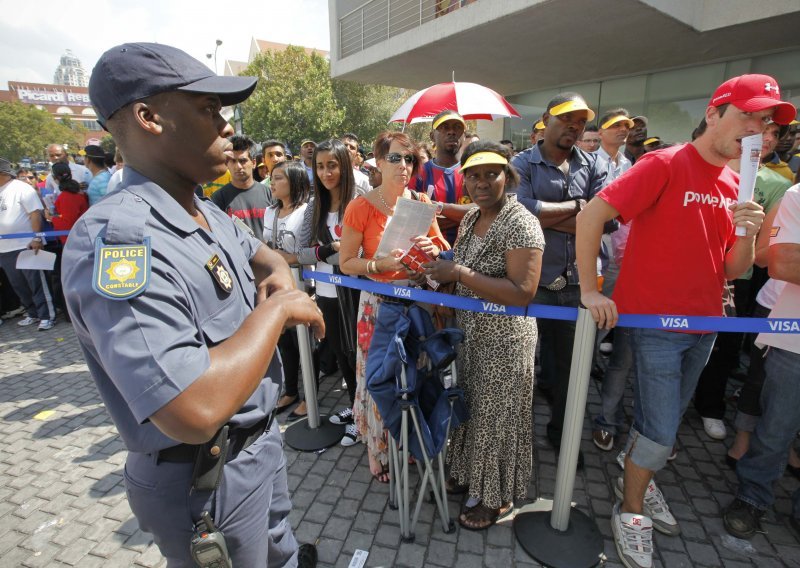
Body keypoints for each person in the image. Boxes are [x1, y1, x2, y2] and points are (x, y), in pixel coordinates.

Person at [61, 42, 321, 567]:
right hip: (206, 476)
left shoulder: (201, 209)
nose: (226, 127)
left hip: (257, 447)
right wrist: (277, 312)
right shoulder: (120, 243)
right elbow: (192, 409)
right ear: (148, 117)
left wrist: (279, 274)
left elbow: (263, 255)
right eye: (207, 110)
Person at [576, 73, 794, 568]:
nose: (757, 126)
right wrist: (590, 287)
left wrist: (747, 234)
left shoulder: (738, 179)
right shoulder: (665, 162)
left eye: (766, 120)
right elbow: (593, 215)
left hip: (708, 324)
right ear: (715, 112)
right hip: (655, 324)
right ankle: (631, 508)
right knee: (659, 431)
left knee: (666, 422)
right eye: (749, 114)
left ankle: (636, 480)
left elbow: (733, 270)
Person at [423, 142, 544, 530]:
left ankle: (494, 495)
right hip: (471, 334)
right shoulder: (474, 216)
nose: (481, 182)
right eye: (472, 175)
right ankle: (466, 472)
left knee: (497, 416)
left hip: (506, 340)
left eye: (491, 174)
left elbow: (522, 291)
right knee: (470, 407)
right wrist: (435, 275)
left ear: (507, 177)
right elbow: (459, 265)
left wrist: (457, 275)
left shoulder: (520, 222)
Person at [339, 131, 448, 483]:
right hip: (378, 303)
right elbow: (346, 263)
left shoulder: (420, 201)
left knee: (414, 374)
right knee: (377, 376)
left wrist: (433, 250)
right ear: (379, 162)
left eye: (410, 159)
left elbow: (442, 245)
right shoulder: (361, 206)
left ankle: (408, 440)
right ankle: (377, 447)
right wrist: (378, 265)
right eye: (396, 158)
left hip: (417, 302)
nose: (404, 166)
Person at [510, 92, 609, 465]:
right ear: (547, 120)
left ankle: (563, 437)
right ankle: (513, 442)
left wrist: (558, 216)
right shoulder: (523, 162)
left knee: (569, 371)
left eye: (581, 121)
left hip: (576, 285)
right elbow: (521, 212)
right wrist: (581, 210)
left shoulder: (594, 164)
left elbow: (608, 217)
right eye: (567, 119)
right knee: (519, 366)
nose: (575, 126)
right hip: (531, 282)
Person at [723, 184, 800, 540]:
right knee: (776, 427)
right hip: (793, 340)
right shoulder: (798, 196)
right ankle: (753, 496)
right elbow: (781, 262)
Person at [289, 139, 363, 445]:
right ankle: (356, 408)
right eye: (320, 166)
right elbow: (298, 252)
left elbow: (359, 252)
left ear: (344, 165)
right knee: (343, 356)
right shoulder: (314, 207)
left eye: (332, 165)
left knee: (359, 355)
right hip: (326, 293)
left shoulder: (360, 202)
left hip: (356, 294)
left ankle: (365, 418)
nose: (326, 172)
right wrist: (330, 250)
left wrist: (331, 252)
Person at [262, 161, 312, 421]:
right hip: (277, 286)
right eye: (271, 178)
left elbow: (303, 254)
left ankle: (309, 398)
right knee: (285, 343)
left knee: (305, 345)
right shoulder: (269, 212)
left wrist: (277, 257)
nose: (272, 183)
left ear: (294, 181)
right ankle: (290, 391)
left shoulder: (305, 212)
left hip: (303, 286)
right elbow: (265, 246)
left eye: (278, 178)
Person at [0, 157, 56, 331]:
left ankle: (47, 315)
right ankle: (32, 312)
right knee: (18, 284)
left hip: (26, 244)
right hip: (5, 248)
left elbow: (35, 214)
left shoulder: (21, 188)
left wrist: (37, 238)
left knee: (36, 283)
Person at [412, 110, 475, 246]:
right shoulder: (418, 173)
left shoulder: (474, 170)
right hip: (429, 256)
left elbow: (482, 210)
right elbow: (414, 218)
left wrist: (436, 207)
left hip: (469, 255)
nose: (451, 132)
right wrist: (461, 216)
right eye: (444, 127)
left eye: (457, 127)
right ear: (432, 136)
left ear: (464, 135)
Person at [211, 134, 273, 239]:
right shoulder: (218, 198)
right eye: (233, 161)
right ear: (227, 164)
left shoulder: (270, 194)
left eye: (243, 161)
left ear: (253, 163)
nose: (238, 166)